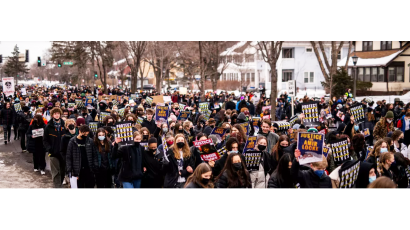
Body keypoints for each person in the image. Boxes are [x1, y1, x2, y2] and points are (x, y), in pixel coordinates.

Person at [43, 108, 66, 187]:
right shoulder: (48, 127)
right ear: (52, 115)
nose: (57, 115)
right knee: (56, 172)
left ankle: (60, 184)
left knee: (63, 171)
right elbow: (45, 140)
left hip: (63, 153)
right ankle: (57, 186)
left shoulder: (64, 125)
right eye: (55, 113)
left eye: (58, 113)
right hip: (53, 153)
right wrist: (49, 149)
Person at [60, 119, 78, 185]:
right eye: (68, 124)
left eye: (72, 123)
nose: (71, 125)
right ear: (66, 126)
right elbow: (62, 150)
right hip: (69, 159)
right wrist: (66, 159)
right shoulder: (64, 137)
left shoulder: (79, 134)